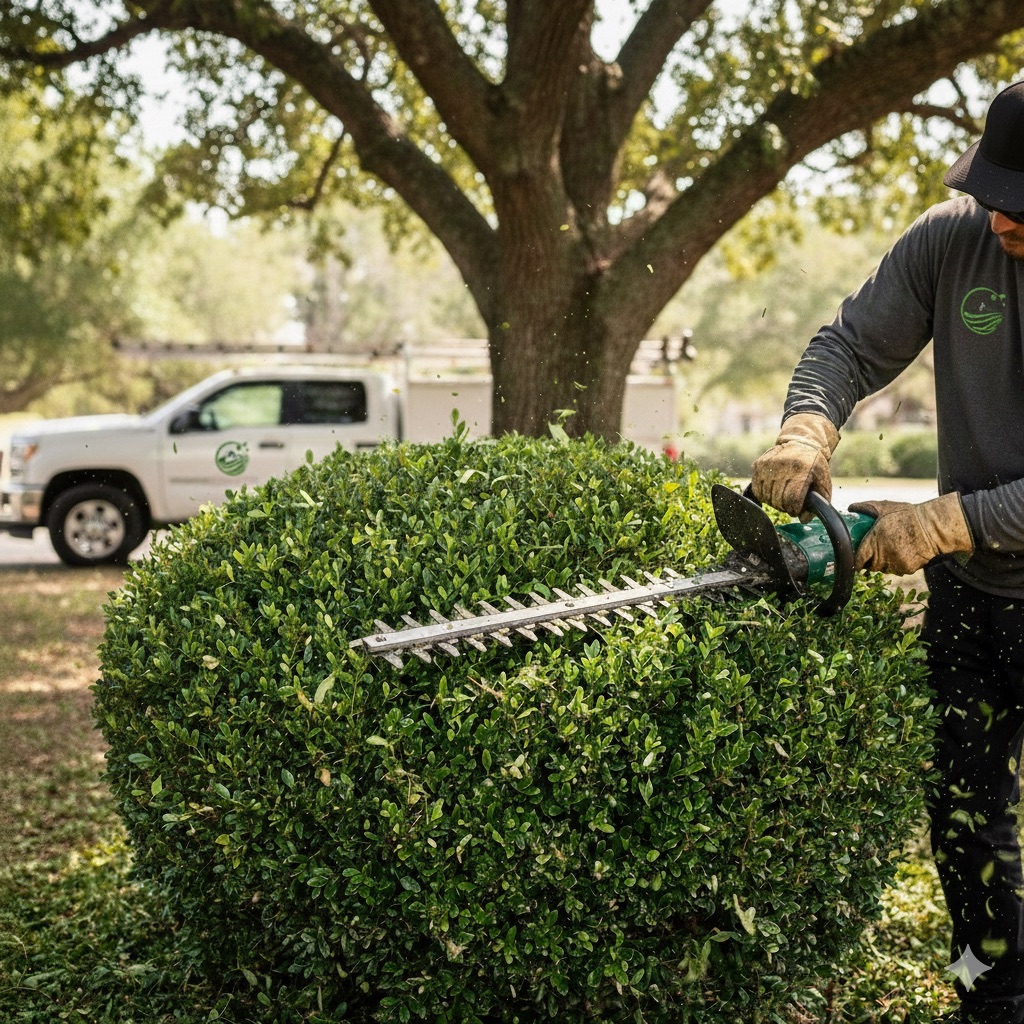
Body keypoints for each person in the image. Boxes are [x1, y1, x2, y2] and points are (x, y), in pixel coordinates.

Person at [751, 80, 1024, 1024]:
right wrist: (805, 429)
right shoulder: (955, 239)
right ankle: (994, 992)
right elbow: (849, 346)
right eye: (995, 192)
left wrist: (940, 522)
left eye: (1022, 205)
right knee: (964, 812)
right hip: (976, 599)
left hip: (979, 553)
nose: (1002, 219)